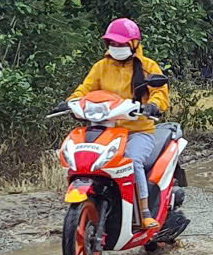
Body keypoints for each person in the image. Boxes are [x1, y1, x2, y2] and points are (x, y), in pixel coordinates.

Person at [69, 17, 169, 229]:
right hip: (106, 130)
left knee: (133, 161)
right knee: (86, 162)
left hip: (138, 130)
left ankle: (144, 212)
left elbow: (160, 92)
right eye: (113, 44)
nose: (116, 47)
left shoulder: (148, 66)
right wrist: (72, 101)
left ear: (134, 44)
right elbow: (85, 89)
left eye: (122, 44)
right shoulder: (101, 67)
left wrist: (153, 105)